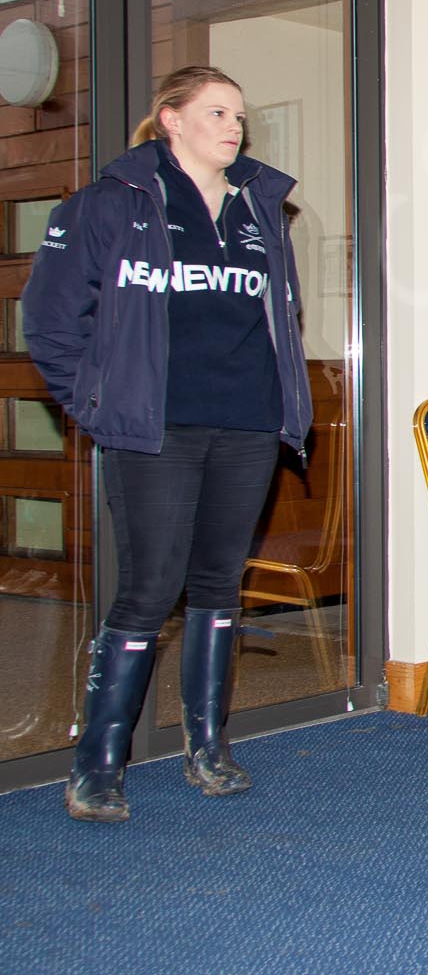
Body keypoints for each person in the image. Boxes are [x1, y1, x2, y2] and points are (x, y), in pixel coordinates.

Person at [23, 65, 312, 824]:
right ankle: (97, 766)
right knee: (148, 591)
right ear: (171, 120)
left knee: (219, 584)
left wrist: (283, 407)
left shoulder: (262, 211)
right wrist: (98, 405)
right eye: (217, 112)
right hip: (157, 429)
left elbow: (279, 320)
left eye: (240, 117)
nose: (234, 126)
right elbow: (51, 324)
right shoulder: (112, 206)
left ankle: (207, 748)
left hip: (247, 424)